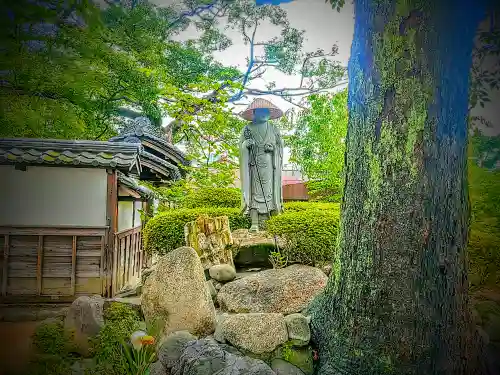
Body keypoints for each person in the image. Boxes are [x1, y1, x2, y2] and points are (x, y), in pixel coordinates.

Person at [239, 98, 284, 232]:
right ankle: (254, 222)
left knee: (270, 192)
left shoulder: (274, 128)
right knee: (254, 193)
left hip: (270, 166)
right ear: (254, 112)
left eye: (266, 111)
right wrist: (245, 146)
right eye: (261, 111)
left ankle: (270, 221)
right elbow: (241, 147)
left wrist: (273, 149)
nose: (264, 113)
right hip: (253, 165)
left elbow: (280, 147)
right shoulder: (247, 128)